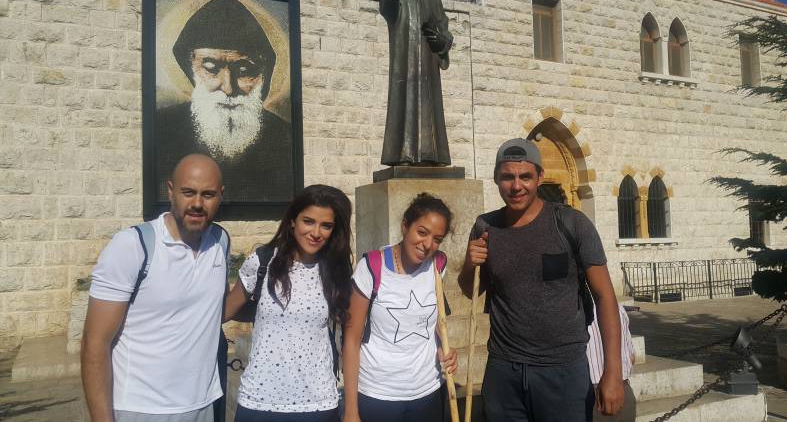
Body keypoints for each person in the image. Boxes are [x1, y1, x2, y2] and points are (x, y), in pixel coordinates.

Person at [458, 138, 625, 421]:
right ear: (496, 178)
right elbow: (470, 288)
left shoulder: (572, 224)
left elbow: (605, 296)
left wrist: (613, 372)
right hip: (504, 370)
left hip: (562, 371)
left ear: (540, 177)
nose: (516, 186)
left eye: (525, 176)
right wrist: (468, 264)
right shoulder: (486, 227)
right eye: (507, 177)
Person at [82, 154, 227, 422]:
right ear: (170, 191)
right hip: (142, 410)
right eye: (188, 192)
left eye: (207, 194)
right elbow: (95, 343)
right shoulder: (132, 245)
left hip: (204, 405)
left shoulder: (220, 242)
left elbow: (216, 309)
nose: (197, 203)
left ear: (220, 195)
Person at [223, 185, 353, 422]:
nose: (316, 232)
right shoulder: (262, 262)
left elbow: (351, 335)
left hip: (317, 403)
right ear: (293, 220)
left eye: (326, 225)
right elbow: (223, 311)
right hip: (259, 400)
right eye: (308, 221)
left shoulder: (336, 270)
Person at [156, 0, 292, 202]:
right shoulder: (161, 128)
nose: (228, 88)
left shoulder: (284, 138)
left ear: (263, 76)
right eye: (211, 68)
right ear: (191, 70)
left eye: (244, 70)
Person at [342, 193, 459, 422]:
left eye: (437, 239)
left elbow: (433, 320)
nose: (428, 245)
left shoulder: (438, 264)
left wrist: (444, 348)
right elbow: (351, 340)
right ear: (405, 226)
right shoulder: (371, 267)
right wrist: (350, 410)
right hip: (378, 394)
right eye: (422, 232)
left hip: (428, 390)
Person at [379, 0, 454, 166]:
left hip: (429, 71)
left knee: (431, 111)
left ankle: (433, 156)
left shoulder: (434, 1)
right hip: (405, 67)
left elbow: (446, 33)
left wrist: (441, 41)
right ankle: (403, 156)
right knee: (405, 105)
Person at [587, 306, 637, 422]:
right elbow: (632, 357)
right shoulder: (618, 308)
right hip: (622, 391)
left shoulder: (573, 310)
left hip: (591, 397)